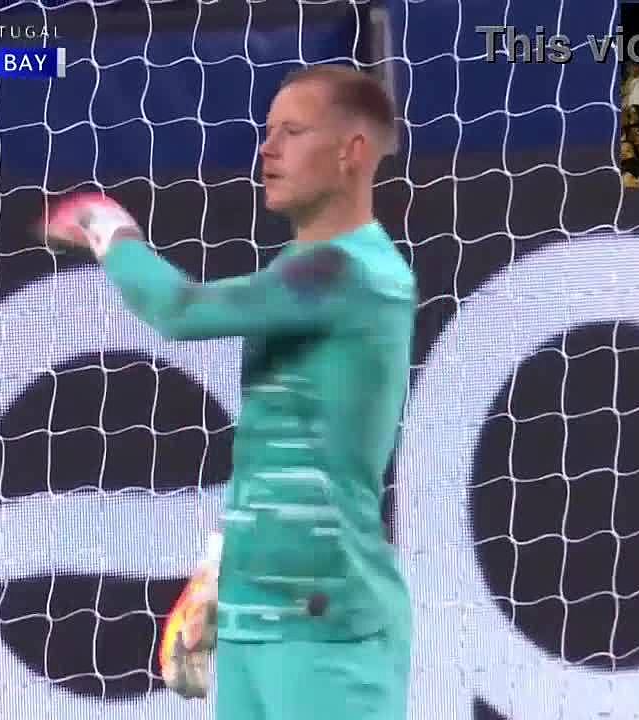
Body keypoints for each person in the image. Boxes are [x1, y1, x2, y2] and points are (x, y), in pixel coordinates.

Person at [43, 63, 415, 720]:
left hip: (329, 630)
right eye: (268, 132)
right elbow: (282, 446)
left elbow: (179, 310)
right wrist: (222, 575)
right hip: (253, 621)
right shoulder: (302, 268)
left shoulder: (352, 272)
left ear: (352, 151)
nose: (267, 150)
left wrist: (108, 228)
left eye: (292, 132)